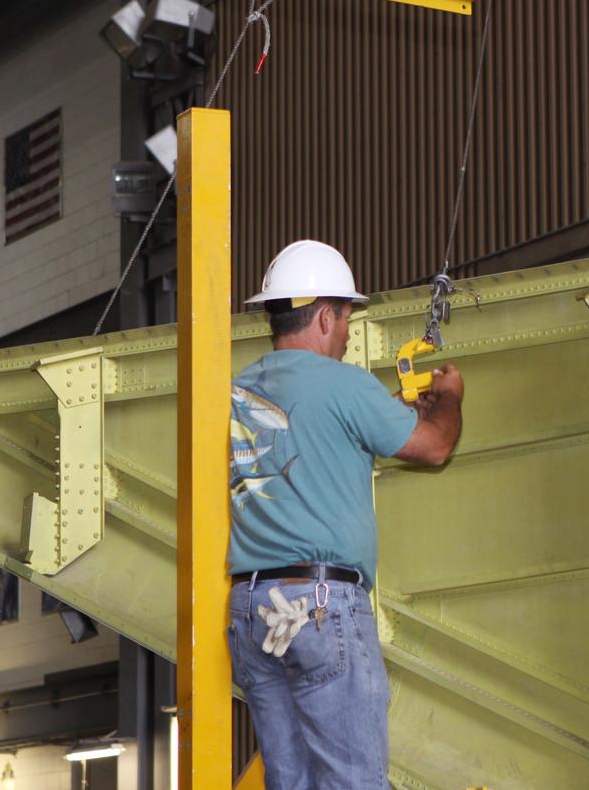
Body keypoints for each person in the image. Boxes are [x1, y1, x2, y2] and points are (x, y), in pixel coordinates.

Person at [227, 240, 464, 789]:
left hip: (253, 611)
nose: (350, 332)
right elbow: (434, 447)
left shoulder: (240, 391)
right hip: (319, 605)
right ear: (327, 314)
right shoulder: (344, 384)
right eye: (348, 318)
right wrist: (449, 397)